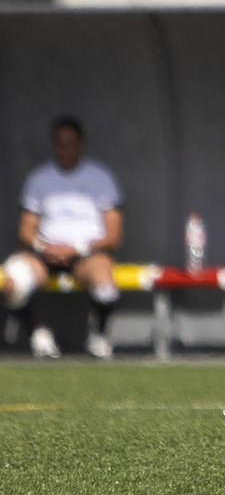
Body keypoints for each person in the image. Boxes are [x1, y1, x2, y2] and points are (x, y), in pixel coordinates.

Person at [2, 116, 122, 359]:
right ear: (54, 145)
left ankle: (99, 336)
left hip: (86, 255)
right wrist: (44, 246)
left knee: (105, 281)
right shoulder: (39, 179)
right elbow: (25, 230)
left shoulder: (101, 178)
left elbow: (114, 236)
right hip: (44, 254)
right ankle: (38, 334)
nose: (66, 150)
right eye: (61, 144)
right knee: (8, 281)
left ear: (81, 144)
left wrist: (76, 248)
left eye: (71, 144)